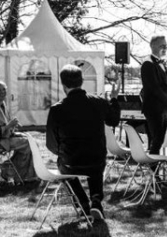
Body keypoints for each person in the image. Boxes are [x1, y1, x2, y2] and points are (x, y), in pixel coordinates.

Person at [46, 64, 121, 220]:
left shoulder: (57, 109)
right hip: (96, 159)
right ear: (82, 81)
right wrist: (113, 99)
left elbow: (51, 143)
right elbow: (113, 120)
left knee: (64, 167)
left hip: (70, 161)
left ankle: (82, 203)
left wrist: (62, 152)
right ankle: (95, 199)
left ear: (63, 84)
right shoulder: (99, 102)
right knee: (95, 164)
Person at [0, 81, 37, 183]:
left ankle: (12, 170)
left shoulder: (0, 104)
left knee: (31, 139)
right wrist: (9, 126)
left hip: (3, 138)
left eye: (4, 89)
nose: (2, 92)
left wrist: (11, 125)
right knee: (28, 144)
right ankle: (15, 172)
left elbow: (1, 125)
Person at [140, 35, 167, 162]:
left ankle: (154, 170)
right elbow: (154, 88)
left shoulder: (162, 63)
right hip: (153, 108)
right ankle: (153, 172)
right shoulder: (148, 64)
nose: (165, 48)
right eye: (162, 46)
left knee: (160, 139)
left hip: (162, 108)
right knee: (156, 139)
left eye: (166, 46)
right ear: (152, 46)